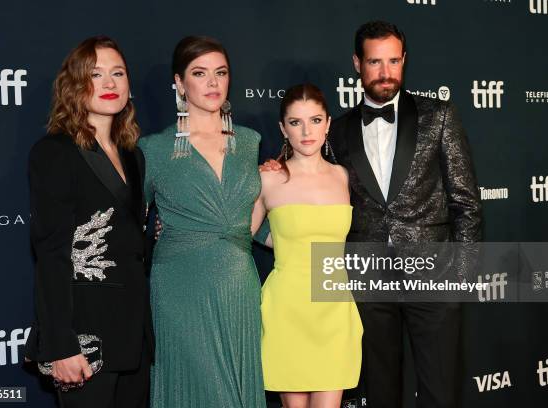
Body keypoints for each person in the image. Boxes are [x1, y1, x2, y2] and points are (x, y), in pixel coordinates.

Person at [260, 21, 482, 408]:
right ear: (357, 64)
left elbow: (466, 202)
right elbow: (308, 185)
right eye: (375, 62)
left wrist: (459, 279)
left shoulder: (439, 115)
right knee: (380, 392)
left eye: (393, 61)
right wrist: (275, 168)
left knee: (440, 390)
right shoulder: (339, 131)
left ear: (404, 62)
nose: (385, 72)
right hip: (366, 282)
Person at [24, 36, 153, 408]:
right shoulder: (54, 153)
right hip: (84, 337)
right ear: (74, 85)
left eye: (118, 73)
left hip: (133, 335)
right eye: (95, 74)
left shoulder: (134, 156)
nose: (110, 84)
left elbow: (126, 238)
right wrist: (60, 344)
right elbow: (51, 255)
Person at [138, 36, 266, 407]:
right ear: (179, 83)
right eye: (199, 73)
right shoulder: (156, 149)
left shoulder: (250, 142)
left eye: (220, 73)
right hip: (180, 289)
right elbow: (131, 225)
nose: (212, 83)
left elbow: (258, 216)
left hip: (238, 286)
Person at [251, 83, 362, 408]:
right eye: (296, 122)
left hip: (333, 309)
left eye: (315, 120)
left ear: (328, 124)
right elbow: (237, 235)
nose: (306, 131)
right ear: (283, 128)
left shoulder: (343, 177)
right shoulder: (267, 179)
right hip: (289, 310)